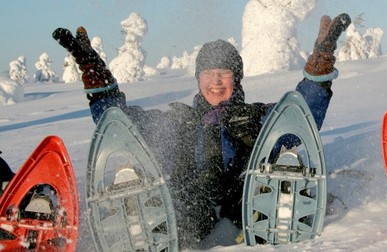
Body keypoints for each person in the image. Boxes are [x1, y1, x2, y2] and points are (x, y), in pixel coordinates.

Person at [54, 14, 351, 248]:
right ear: (198, 78)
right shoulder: (177, 121)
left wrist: (319, 74)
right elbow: (120, 123)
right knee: (161, 180)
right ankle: (140, 217)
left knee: (278, 159)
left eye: (225, 73)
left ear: (237, 79)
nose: (217, 81)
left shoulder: (259, 116)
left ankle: (281, 204)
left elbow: (300, 118)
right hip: (187, 216)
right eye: (209, 73)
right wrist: (97, 78)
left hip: (245, 210)